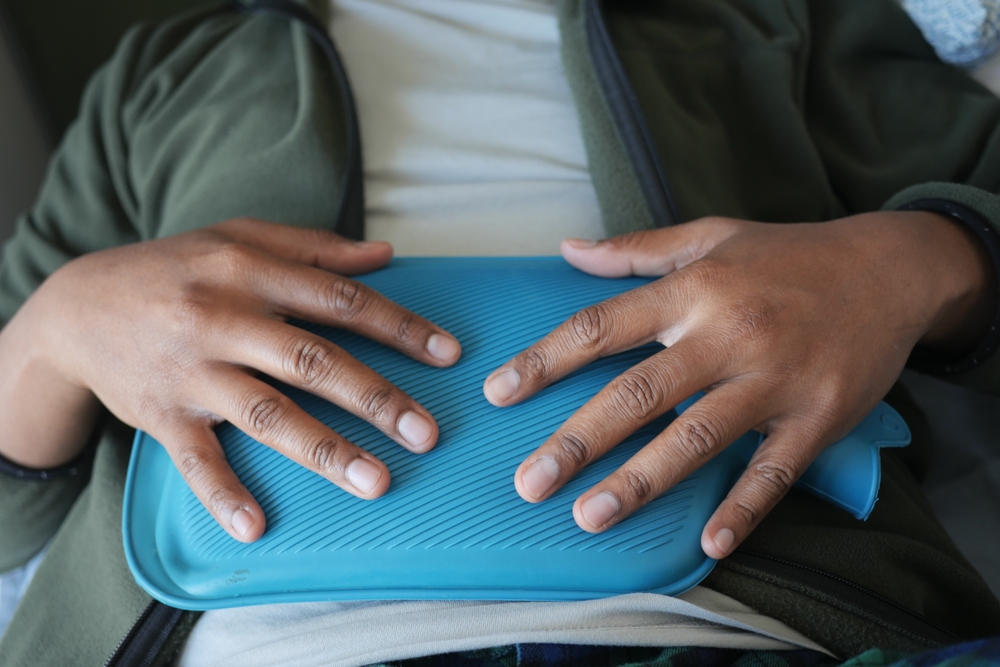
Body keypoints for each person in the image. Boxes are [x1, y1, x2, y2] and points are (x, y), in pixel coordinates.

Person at [1, 0, 999, 664]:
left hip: (738, 628)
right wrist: (57, 328)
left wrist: (911, 261)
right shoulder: (165, 73)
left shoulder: (766, 15)